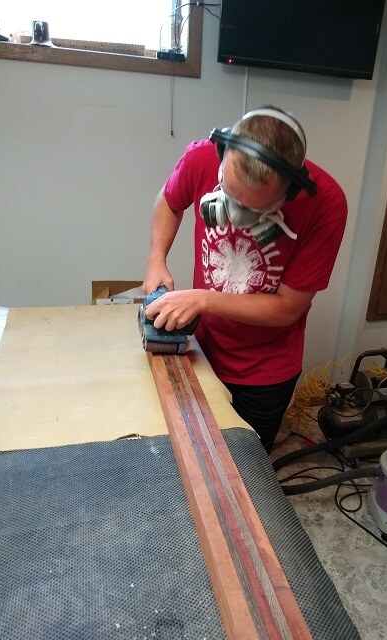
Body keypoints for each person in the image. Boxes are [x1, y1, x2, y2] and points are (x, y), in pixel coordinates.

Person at [142, 106, 347, 453]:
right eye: (228, 194)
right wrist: (156, 258)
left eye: (252, 210)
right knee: (191, 450)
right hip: (200, 350)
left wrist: (203, 300)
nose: (234, 215)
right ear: (223, 156)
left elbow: (287, 309)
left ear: (287, 194)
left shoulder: (326, 205)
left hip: (266, 372)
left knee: (245, 467)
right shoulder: (202, 157)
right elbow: (169, 200)